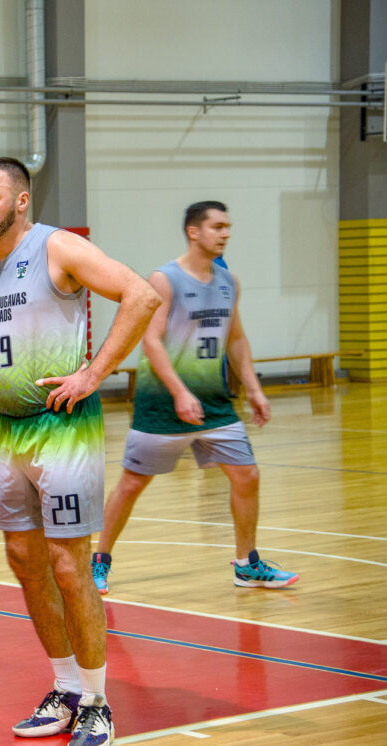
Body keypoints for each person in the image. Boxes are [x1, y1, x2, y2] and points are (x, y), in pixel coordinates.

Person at [0, 157, 161, 745]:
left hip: (62, 426)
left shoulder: (59, 248)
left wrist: (94, 373)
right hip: (8, 429)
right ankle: (66, 687)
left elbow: (142, 295)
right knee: (24, 562)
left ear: (21, 201)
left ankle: (98, 702)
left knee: (70, 566)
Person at [91, 201, 297, 594]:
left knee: (247, 475)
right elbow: (150, 341)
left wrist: (254, 389)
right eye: (217, 226)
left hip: (214, 404)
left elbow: (236, 338)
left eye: (227, 226)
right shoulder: (164, 279)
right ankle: (99, 560)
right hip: (162, 403)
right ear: (193, 231)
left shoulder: (228, 282)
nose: (225, 233)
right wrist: (180, 392)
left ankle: (246, 564)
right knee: (132, 485)